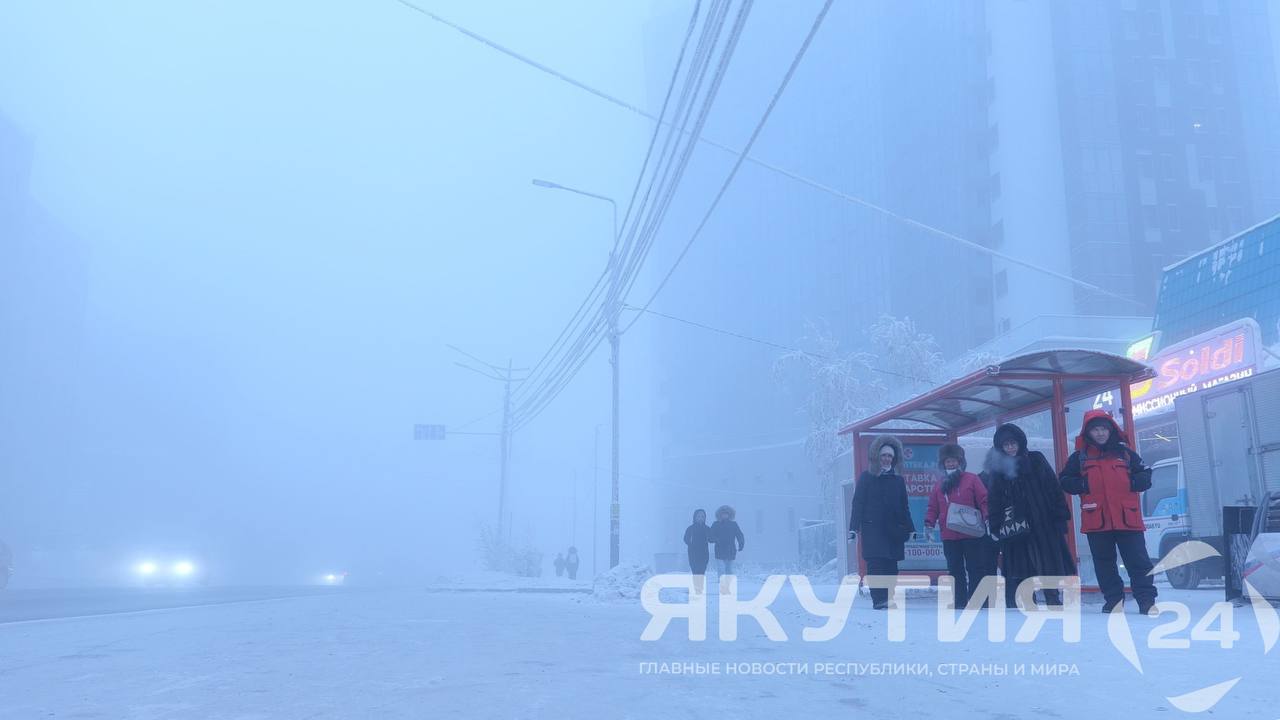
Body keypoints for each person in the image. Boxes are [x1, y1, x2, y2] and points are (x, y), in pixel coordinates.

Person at [1060, 410, 1157, 615]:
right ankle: (1113, 601)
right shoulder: (1079, 458)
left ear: (1111, 429)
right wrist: (1083, 484)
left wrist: (1133, 482)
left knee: (1139, 562)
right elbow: (1064, 480)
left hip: (1127, 520)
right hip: (1098, 521)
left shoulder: (1125, 453)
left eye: (1104, 428)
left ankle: (1146, 601)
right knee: (1104, 565)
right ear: (1089, 432)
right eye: (1096, 429)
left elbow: (1146, 474)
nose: (1101, 433)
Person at [985, 423, 1075, 609]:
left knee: (1048, 562)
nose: (1010, 448)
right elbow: (994, 499)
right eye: (1006, 445)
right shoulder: (999, 469)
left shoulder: (1036, 460)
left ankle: (1052, 596)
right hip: (1016, 525)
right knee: (1022, 564)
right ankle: (1028, 598)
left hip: (1043, 521)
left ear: (1020, 443)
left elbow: (1053, 487)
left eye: (1013, 443)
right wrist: (995, 524)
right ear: (1000, 447)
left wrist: (1060, 515)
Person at [849, 435, 915, 610]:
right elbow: (858, 503)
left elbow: (904, 506)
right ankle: (879, 599)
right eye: (884, 456)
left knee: (891, 567)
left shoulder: (898, 480)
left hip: (893, 531)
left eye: (890, 457)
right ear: (877, 457)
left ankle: (889, 597)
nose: (886, 459)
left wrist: (911, 528)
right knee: (876, 565)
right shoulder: (867, 477)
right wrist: (854, 527)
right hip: (873, 530)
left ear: (894, 460)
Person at [924, 443, 989, 609]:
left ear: (960, 462)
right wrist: (929, 524)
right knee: (955, 570)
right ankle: (959, 602)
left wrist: (987, 518)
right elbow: (933, 507)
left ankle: (978, 601)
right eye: (947, 461)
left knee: (976, 568)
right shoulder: (939, 485)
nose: (951, 464)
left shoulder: (972, 479)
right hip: (949, 536)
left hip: (971, 534)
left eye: (954, 461)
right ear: (943, 464)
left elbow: (984, 500)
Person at [710, 505, 744, 594]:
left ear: (730, 515)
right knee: (721, 569)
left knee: (729, 569)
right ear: (719, 515)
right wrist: (715, 539)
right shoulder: (716, 524)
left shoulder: (733, 524)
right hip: (719, 550)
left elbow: (739, 535)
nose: (724, 515)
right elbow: (710, 536)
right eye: (723, 514)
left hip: (730, 550)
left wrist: (741, 543)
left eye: (726, 514)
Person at [682, 509, 712, 595]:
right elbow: (685, 539)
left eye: (702, 516)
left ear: (705, 518)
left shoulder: (707, 529)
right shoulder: (690, 529)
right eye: (698, 516)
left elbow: (711, 539)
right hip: (693, 554)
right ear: (695, 517)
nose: (700, 518)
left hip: (704, 554)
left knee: (702, 571)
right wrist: (691, 544)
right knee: (695, 571)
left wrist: (716, 538)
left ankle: (699, 588)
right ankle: (697, 589)